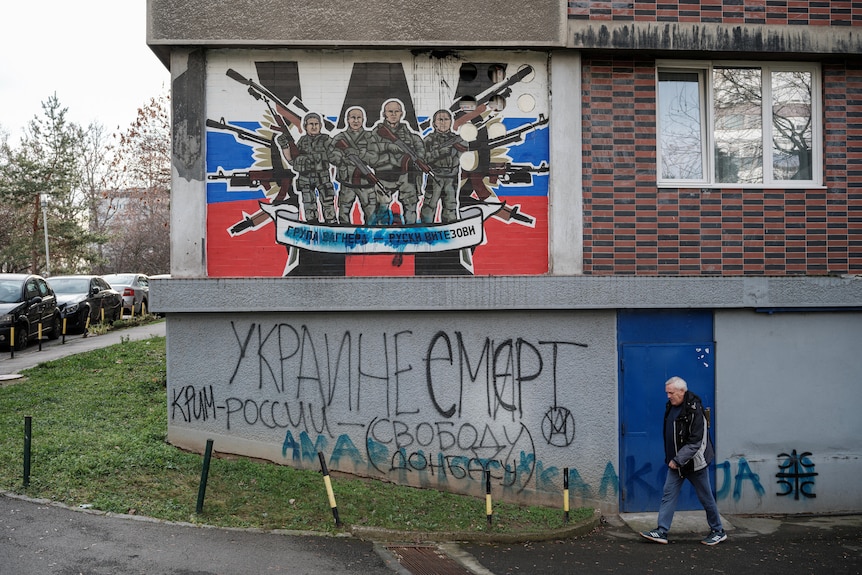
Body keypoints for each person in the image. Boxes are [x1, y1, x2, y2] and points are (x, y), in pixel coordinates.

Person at [640, 376, 728, 546]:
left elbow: (696, 441)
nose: (668, 396)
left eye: (671, 392)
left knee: (705, 497)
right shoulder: (671, 406)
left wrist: (678, 459)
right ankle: (662, 531)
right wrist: (672, 459)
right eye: (667, 392)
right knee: (668, 494)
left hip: (695, 463)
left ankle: (718, 530)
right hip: (676, 464)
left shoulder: (695, 410)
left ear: (682, 391)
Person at [372, 98, 427, 225]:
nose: (393, 114)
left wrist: (411, 160)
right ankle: (381, 236)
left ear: (402, 113)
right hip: (384, 176)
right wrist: (389, 152)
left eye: (396, 111)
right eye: (390, 111)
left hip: (405, 177)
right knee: (381, 209)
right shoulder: (375, 135)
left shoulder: (412, 137)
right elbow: (370, 155)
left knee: (411, 207)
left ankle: (411, 233)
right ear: (384, 114)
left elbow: (421, 155)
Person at [330, 106, 383, 225]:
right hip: (347, 182)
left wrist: (358, 154)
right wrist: (344, 157)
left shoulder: (369, 137)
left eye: (359, 118)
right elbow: (331, 154)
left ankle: (371, 236)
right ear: (347, 119)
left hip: (365, 183)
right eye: (353, 118)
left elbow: (375, 157)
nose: (356, 120)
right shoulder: (340, 137)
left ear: (363, 120)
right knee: (344, 212)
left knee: (371, 212)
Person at [421, 109, 466, 223]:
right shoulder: (428, 140)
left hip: (452, 178)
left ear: (451, 122)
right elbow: (421, 160)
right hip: (435, 177)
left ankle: (450, 231)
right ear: (434, 123)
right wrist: (439, 152)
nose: (443, 122)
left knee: (450, 207)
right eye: (440, 119)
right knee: (429, 206)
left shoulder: (459, 139)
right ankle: (425, 230)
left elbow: (467, 155)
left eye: (446, 119)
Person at [292, 113, 337, 224]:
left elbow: (335, 156)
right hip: (305, 177)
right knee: (308, 202)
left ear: (320, 125)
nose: (314, 126)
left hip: (323, 176)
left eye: (316, 124)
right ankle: (312, 222)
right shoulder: (302, 141)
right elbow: (294, 159)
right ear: (305, 126)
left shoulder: (326, 140)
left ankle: (331, 222)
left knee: (327, 202)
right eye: (311, 124)